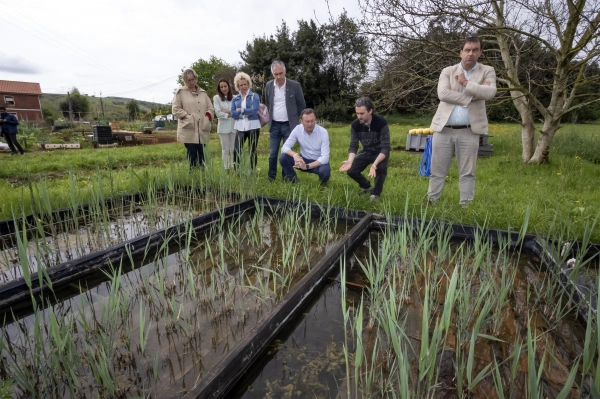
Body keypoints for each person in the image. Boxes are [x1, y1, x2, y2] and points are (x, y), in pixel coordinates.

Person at [427, 36, 497, 207]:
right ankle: (431, 202)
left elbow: (489, 93)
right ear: (461, 52)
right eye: (467, 50)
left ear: (480, 52)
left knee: (467, 172)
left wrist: (465, 82)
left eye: (475, 50)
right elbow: (443, 94)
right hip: (443, 129)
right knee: (437, 170)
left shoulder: (487, 71)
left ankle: (465, 207)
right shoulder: (448, 71)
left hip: (469, 131)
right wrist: (471, 96)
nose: (470, 53)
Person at [339, 97, 390, 203]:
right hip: (366, 151)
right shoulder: (355, 125)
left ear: (370, 111)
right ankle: (366, 187)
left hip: (380, 153)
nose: (359, 116)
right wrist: (350, 161)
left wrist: (374, 164)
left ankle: (375, 193)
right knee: (351, 170)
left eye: (362, 113)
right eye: (357, 113)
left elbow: (386, 148)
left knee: (381, 168)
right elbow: (353, 146)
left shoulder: (381, 123)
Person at [265, 60, 306, 182]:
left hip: (289, 125)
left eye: (281, 73)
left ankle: (285, 177)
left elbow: (301, 104)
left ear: (285, 71)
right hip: (274, 125)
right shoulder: (268, 86)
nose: (279, 77)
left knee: (286, 152)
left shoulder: (295, 85)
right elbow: (268, 103)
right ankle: (271, 177)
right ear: (272, 74)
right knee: (272, 153)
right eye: (276, 74)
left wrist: (298, 119)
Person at [172, 68, 214, 168]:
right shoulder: (180, 92)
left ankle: (203, 176)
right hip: (189, 127)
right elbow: (175, 109)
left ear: (196, 78)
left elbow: (210, 107)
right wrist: (187, 116)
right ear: (185, 81)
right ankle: (193, 175)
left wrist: (207, 116)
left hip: (202, 127)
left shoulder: (203, 93)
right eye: (188, 80)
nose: (191, 82)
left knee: (202, 153)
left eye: (193, 79)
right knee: (192, 152)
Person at [280, 108, 330, 184]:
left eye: (312, 121)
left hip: (318, 162)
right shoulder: (297, 129)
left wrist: (307, 166)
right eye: (307, 121)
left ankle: (322, 186)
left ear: (315, 120)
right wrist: (295, 155)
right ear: (301, 121)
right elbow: (285, 147)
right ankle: (294, 182)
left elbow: (325, 158)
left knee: (325, 172)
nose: (310, 124)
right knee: (283, 157)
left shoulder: (323, 132)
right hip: (302, 159)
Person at [231, 72, 260, 170]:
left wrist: (242, 110)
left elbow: (255, 110)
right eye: (241, 85)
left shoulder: (254, 96)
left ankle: (252, 171)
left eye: (245, 84)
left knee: (252, 150)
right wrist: (243, 114)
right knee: (236, 150)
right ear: (238, 86)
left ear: (248, 84)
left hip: (253, 126)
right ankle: (236, 171)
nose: (243, 87)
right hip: (240, 126)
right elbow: (232, 112)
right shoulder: (235, 98)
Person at [213, 79, 236, 170]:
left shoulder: (235, 97)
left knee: (233, 149)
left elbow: (237, 111)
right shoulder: (216, 98)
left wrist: (226, 112)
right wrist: (231, 113)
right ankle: (226, 168)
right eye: (221, 87)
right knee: (225, 149)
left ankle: (234, 166)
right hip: (223, 127)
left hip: (234, 126)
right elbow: (218, 113)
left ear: (228, 86)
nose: (223, 88)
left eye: (225, 86)